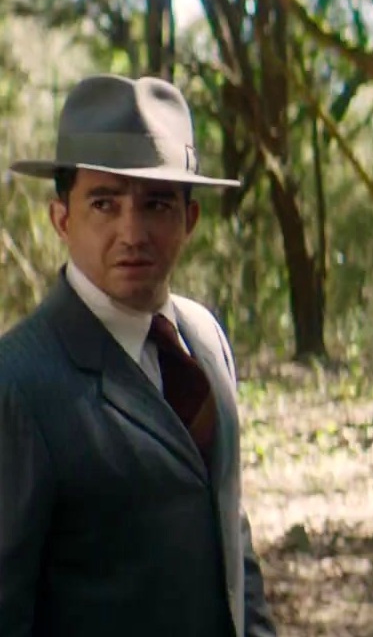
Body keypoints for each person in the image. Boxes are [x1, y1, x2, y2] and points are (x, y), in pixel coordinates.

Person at [0, 74, 277, 636]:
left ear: (189, 220)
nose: (132, 232)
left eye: (156, 204)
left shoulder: (204, 339)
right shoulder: (19, 382)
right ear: (62, 219)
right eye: (104, 203)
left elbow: (228, 531)